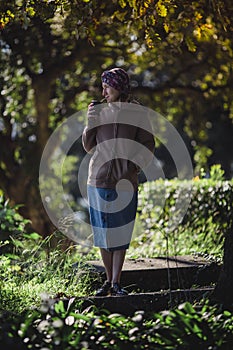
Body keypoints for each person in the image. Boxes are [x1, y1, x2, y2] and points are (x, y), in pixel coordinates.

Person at [82, 67, 155, 296]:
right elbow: (88, 145)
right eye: (102, 87)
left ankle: (116, 282)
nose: (103, 92)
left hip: (125, 183)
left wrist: (133, 167)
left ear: (119, 87)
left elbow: (148, 144)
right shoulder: (99, 111)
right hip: (97, 181)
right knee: (103, 234)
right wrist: (89, 122)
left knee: (120, 234)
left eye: (107, 87)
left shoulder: (137, 113)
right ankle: (107, 281)